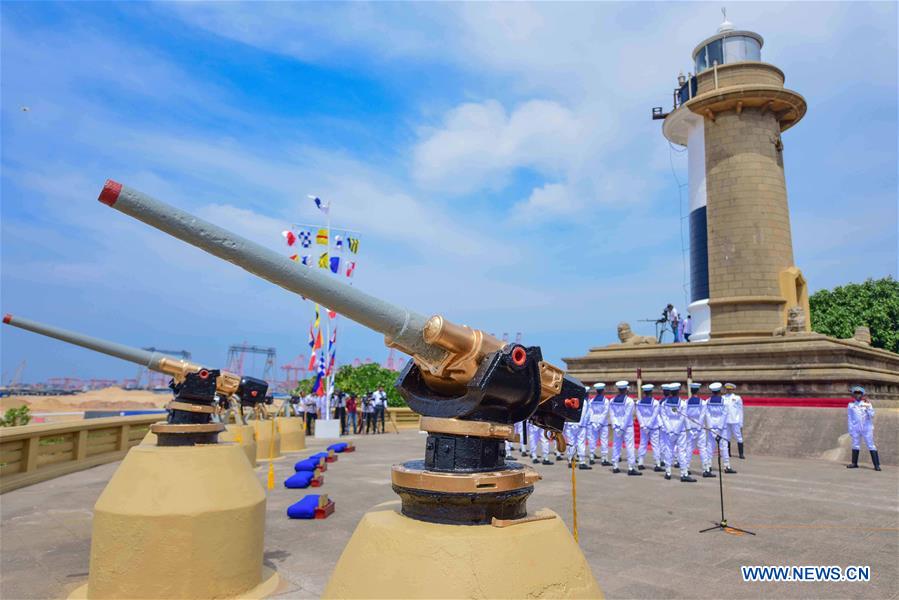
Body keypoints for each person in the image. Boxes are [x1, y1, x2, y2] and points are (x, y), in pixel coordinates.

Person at [659, 383, 695, 482]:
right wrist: (676, 430)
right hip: (679, 431)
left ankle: (668, 472)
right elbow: (682, 418)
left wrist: (670, 429)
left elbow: (664, 418)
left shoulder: (664, 404)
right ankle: (684, 473)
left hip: (669, 430)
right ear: (678, 391)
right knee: (682, 452)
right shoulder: (683, 403)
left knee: (669, 450)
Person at [608, 381, 641, 475]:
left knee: (616, 446)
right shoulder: (629, 401)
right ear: (626, 390)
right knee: (630, 447)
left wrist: (615, 425)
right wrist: (622, 428)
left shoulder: (612, 400)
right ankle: (631, 467)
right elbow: (627, 416)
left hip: (617, 427)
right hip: (627, 427)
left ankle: (615, 466)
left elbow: (612, 414)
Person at [704, 382, 736, 474]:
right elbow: (724, 415)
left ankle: (708, 466)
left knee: (710, 447)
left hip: (711, 427)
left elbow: (707, 415)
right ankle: (727, 466)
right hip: (722, 428)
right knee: (724, 447)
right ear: (720, 391)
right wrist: (719, 428)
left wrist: (711, 427)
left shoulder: (707, 401)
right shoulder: (724, 402)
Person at [846, 385, 880, 471]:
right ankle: (854, 463)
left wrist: (868, 406)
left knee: (871, 445)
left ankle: (876, 465)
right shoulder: (851, 405)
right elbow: (850, 417)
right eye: (856, 393)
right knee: (855, 445)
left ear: (862, 395)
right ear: (853, 395)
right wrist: (850, 429)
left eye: (859, 393)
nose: (858, 395)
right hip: (856, 428)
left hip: (866, 428)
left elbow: (872, 415)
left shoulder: (867, 404)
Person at [635, 383, 663, 471]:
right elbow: (654, 415)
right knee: (655, 445)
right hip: (653, 427)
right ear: (651, 392)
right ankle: (657, 464)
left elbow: (638, 414)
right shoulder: (655, 403)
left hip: (644, 427)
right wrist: (649, 425)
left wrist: (643, 425)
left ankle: (640, 462)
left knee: (643, 444)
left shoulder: (639, 402)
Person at [683, 382, 709, 476]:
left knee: (689, 448)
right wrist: (698, 429)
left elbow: (685, 416)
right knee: (702, 448)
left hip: (690, 428)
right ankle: (705, 469)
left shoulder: (685, 402)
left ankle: (686, 468)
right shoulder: (702, 402)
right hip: (699, 427)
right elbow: (702, 416)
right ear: (698, 391)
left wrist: (690, 429)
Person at [587, 383, 610, 466]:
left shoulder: (592, 400)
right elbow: (605, 412)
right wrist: (599, 423)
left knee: (593, 440)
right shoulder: (606, 401)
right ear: (603, 391)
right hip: (602, 423)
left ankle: (591, 457)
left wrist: (593, 422)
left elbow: (591, 412)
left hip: (594, 423)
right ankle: (604, 459)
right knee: (604, 441)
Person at [723, 383, 745, 459]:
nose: (728, 390)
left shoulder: (737, 398)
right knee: (727, 437)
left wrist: (741, 423)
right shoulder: (723, 398)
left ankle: (741, 453)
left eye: (730, 389)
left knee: (738, 437)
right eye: (727, 389)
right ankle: (728, 453)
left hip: (735, 420)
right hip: (726, 421)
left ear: (733, 389)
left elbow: (740, 411)